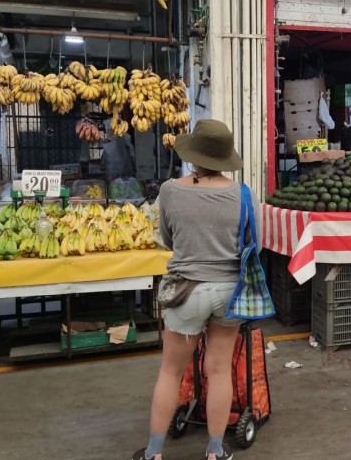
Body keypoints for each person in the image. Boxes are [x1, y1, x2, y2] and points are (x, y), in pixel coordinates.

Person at [132, 119, 261, 460]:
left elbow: (168, 238)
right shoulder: (242, 194)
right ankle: (215, 452)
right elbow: (254, 245)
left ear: (194, 155)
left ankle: (154, 454)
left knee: (171, 372)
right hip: (228, 292)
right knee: (219, 371)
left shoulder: (170, 190)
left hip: (184, 292)